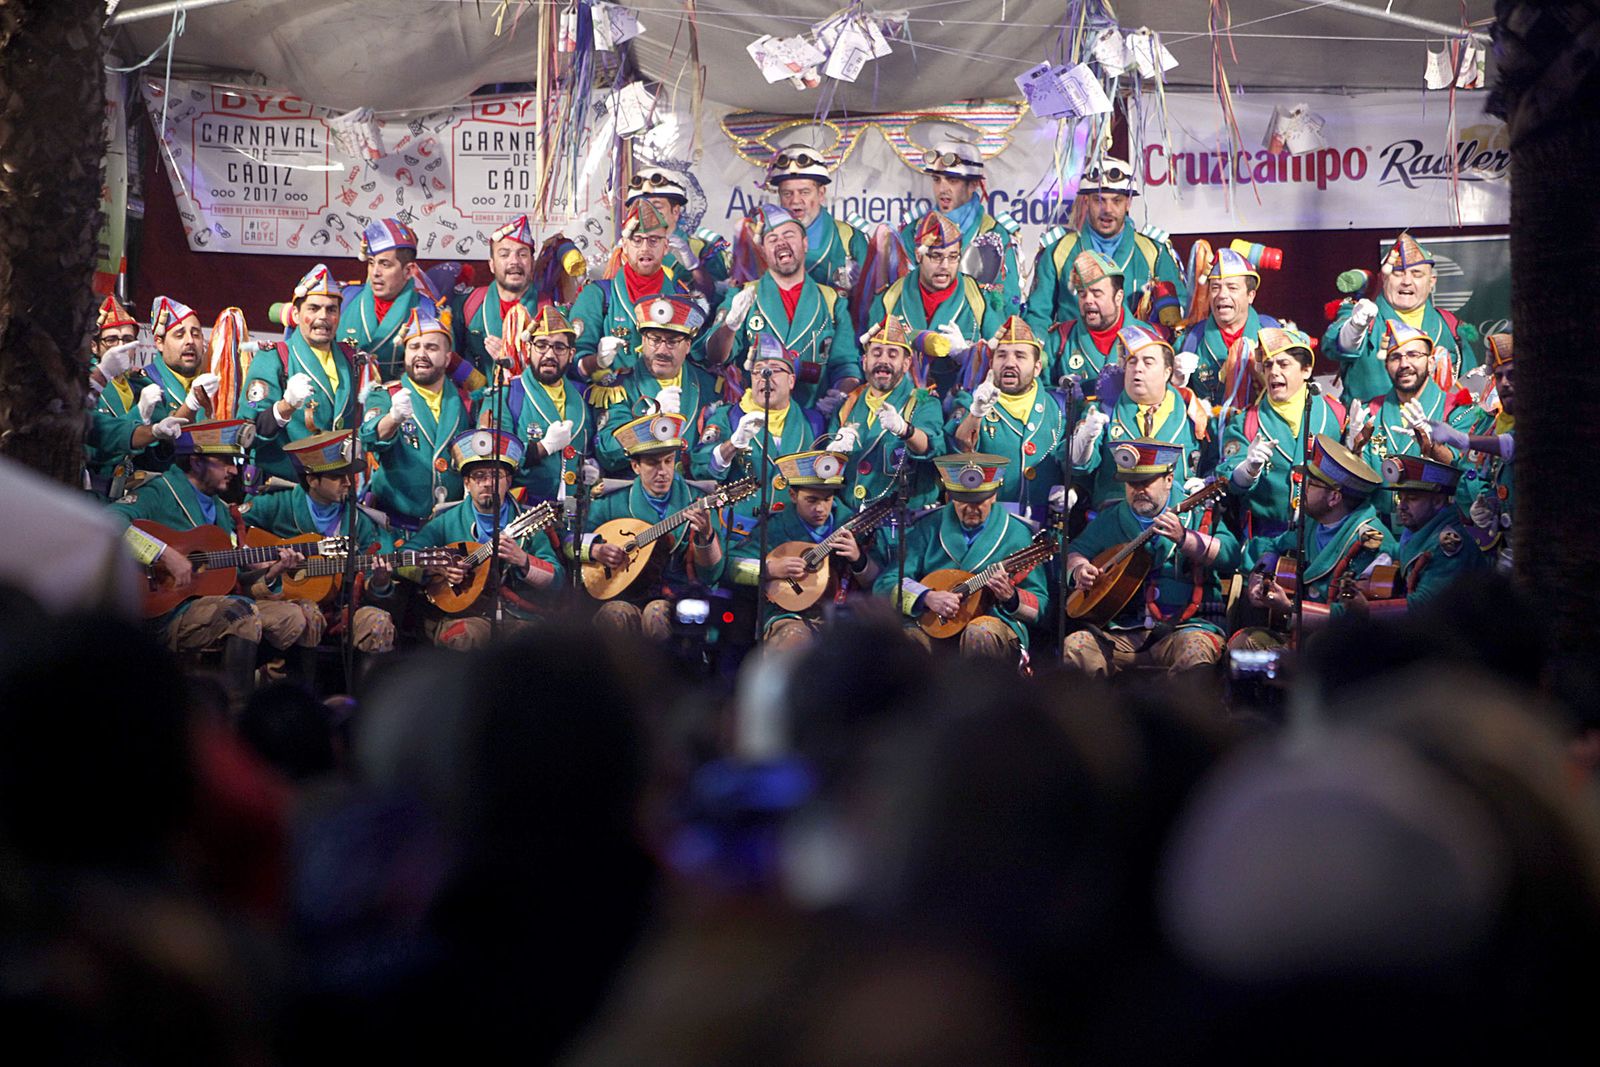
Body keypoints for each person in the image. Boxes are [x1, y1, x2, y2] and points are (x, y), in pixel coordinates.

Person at [109, 419, 323, 701]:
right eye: (224, 461)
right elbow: (108, 522)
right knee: (240, 612)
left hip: (209, 604)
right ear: (196, 462)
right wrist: (162, 553)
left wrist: (273, 571)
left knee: (301, 613)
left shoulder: (223, 511)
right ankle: (234, 713)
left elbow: (228, 577)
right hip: (161, 612)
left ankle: (292, 707)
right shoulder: (162, 490)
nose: (234, 470)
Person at [1062, 440, 1237, 676]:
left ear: (1168, 479)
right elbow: (1074, 552)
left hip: (1185, 629)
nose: (1138, 490)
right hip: (1121, 632)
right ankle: (1095, 712)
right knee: (1077, 646)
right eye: (1131, 484)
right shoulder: (1112, 517)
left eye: (1146, 482)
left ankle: (1184, 713)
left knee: (1196, 653)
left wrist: (1185, 539)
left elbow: (1231, 555)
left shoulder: (1197, 511)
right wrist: (1079, 569)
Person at [240, 429, 398, 660]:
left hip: (342, 609)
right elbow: (232, 532)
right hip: (288, 603)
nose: (347, 483)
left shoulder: (360, 520)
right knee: (307, 615)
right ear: (312, 480)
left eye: (348, 475)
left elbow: (371, 584)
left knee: (379, 622)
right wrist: (257, 562)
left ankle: (370, 695)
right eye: (337, 477)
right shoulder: (276, 504)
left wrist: (380, 582)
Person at [402, 428, 563, 649]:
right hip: (465, 616)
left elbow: (557, 580)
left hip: (519, 615)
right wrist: (435, 567)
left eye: (496, 476)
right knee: (463, 636)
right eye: (479, 476)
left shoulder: (529, 523)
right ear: (467, 483)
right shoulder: (445, 520)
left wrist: (523, 560)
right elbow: (402, 559)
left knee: (539, 644)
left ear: (509, 481)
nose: (487, 483)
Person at [875, 453, 1047, 660]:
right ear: (949, 498)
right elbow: (885, 584)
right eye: (962, 501)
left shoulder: (1018, 534)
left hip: (992, 623)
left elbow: (1042, 605)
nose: (971, 508)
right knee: (905, 638)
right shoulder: (928, 527)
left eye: (979, 501)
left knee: (979, 632)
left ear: (994, 497)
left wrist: (1011, 597)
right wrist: (927, 597)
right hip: (934, 624)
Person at [703, 203, 862, 413]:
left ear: (805, 243)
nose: (781, 243)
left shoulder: (832, 301)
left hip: (811, 420)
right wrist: (729, 327)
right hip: (753, 420)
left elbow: (846, 365)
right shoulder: (743, 295)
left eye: (789, 235)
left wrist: (841, 395)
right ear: (763, 250)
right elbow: (715, 356)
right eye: (773, 239)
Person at [583, 412, 726, 640]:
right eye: (652, 463)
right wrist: (595, 550)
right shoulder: (611, 501)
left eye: (669, 461)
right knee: (614, 614)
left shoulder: (698, 501)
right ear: (635, 466)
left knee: (657, 613)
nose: (663, 471)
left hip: (678, 597)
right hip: (623, 592)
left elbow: (712, 575)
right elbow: (572, 542)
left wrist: (705, 537)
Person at [727, 448, 879, 649]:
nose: (820, 509)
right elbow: (732, 566)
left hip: (842, 613)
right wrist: (771, 568)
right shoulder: (773, 528)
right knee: (792, 640)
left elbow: (880, 581)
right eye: (812, 500)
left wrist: (859, 560)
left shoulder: (850, 525)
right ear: (793, 495)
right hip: (787, 614)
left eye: (827, 499)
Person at [1244, 434, 1397, 632]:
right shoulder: (1312, 523)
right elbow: (1274, 546)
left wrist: (1289, 609)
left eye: (1311, 484)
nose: (1302, 489)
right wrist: (1260, 574)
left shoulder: (1372, 543)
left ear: (1334, 497)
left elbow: (1355, 619)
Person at [240, 265, 371, 480]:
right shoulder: (273, 357)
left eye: (331, 309)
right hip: (285, 490)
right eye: (314, 308)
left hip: (335, 488)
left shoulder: (350, 359)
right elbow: (247, 433)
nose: (323, 317)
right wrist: (285, 407)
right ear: (296, 314)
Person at [1026, 157, 1187, 331]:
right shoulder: (1058, 251)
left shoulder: (1154, 252)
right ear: (1086, 201)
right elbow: (1038, 316)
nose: (1108, 209)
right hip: (1074, 354)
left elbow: (1178, 315)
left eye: (1116, 200)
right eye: (1099, 200)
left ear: (1128, 202)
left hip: (1135, 354)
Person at [1216, 327, 1348, 540]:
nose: (1274, 372)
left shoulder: (1336, 414)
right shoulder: (1246, 422)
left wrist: (1357, 445)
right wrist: (1248, 470)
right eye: (1268, 365)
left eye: (1283, 364)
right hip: (1264, 541)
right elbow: (1229, 481)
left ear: (1306, 370)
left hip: (1321, 539)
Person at [1323, 232, 1480, 403]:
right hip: (1374, 426)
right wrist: (1356, 327)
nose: (1407, 281)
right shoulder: (1361, 315)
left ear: (1432, 281)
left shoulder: (1449, 325)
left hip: (1437, 426)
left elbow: (1469, 388)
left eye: (1417, 274)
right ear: (1383, 277)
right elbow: (1338, 345)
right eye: (1398, 273)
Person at [866, 210, 1001, 402]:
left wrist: (967, 355)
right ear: (918, 256)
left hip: (962, 407)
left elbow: (1001, 356)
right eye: (936, 256)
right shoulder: (890, 298)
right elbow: (867, 356)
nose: (945, 265)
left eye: (953, 256)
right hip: (901, 409)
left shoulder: (978, 297)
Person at [1070, 322, 1207, 511]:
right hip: (1118, 521)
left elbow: (1214, 463)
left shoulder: (1192, 412)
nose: (1138, 368)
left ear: (1167, 372)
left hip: (1174, 518)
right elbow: (1079, 466)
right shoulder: (1102, 411)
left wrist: (1205, 483)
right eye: (1132, 361)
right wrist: (1085, 438)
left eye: (1148, 362)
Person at [360, 305, 475, 531]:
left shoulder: (467, 402)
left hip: (449, 529)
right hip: (396, 528)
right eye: (414, 347)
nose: (421, 354)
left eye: (431, 347)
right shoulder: (385, 395)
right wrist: (393, 418)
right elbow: (369, 437)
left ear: (447, 357)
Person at [693, 335, 818, 542]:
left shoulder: (813, 422)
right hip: (740, 536)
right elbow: (701, 470)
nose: (765, 377)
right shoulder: (727, 416)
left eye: (774, 370)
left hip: (795, 536)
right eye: (758, 371)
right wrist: (733, 443)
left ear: (791, 380)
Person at [1346, 321, 1472, 523]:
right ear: (1386, 365)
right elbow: (1361, 488)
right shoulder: (1369, 413)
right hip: (1380, 531)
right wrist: (1355, 450)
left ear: (1431, 362)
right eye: (1395, 357)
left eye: (1414, 355)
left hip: (1438, 531)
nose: (1404, 364)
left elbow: (1464, 476)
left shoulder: (1456, 410)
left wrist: (1432, 447)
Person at [949, 316, 1069, 523]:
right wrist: (976, 413)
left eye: (1020, 356)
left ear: (1037, 367)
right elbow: (958, 446)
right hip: (989, 527)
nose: (1009, 363)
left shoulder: (1058, 406)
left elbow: (1074, 463)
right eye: (1002, 355)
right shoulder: (970, 400)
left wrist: (1071, 490)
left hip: (1043, 530)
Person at [1340, 454, 1488, 617]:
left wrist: (1367, 610)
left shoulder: (1449, 545)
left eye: (1412, 498)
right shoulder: (1422, 529)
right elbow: (1400, 550)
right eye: (1400, 498)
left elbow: (1425, 606)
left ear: (1438, 502)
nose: (1401, 506)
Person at [825, 313, 944, 510]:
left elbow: (931, 447)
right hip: (849, 517)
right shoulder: (847, 406)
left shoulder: (923, 403)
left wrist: (905, 430)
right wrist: (833, 454)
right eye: (877, 352)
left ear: (906, 364)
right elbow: (828, 474)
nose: (883, 360)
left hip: (903, 522)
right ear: (864, 361)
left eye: (892, 354)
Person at [478, 304, 593, 502]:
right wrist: (542, 448)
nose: (549, 355)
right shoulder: (506, 395)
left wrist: (591, 468)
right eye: (541, 345)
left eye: (559, 347)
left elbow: (587, 449)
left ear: (571, 354)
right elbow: (490, 454)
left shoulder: (582, 397)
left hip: (573, 515)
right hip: (523, 512)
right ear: (529, 348)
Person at [897, 136, 1022, 316]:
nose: (942, 189)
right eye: (937, 180)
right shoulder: (913, 231)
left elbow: (1007, 303)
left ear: (973, 185)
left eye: (952, 181)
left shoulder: (994, 233)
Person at [595, 295, 719, 475]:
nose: (662, 350)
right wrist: (650, 422)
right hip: (638, 494)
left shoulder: (709, 385)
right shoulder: (618, 386)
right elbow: (607, 451)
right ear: (643, 341)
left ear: (688, 345)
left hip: (692, 493)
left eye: (672, 341)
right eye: (654, 339)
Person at [571, 200, 694, 380]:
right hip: (612, 401)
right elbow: (572, 361)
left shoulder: (680, 299)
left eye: (653, 240)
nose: (645, 248)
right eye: (637, 240)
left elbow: (693, 357)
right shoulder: (597, 296)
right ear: (625, 246)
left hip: (666, 400)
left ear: (666, 246)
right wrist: (596, 361)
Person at [1427, 331, 1515, 570]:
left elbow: (1511, 445)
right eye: (1498, 376)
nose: (1505, 383)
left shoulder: (1544, 418)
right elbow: (1476, 475)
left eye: (1513, 375)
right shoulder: (1492, 424)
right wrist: (1489, 506)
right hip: (1500, 545)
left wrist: (1463, 439)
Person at [85, 295, 183, 497]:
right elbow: (92, 448)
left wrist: (161, 438)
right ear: (95, 346)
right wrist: (139, 415)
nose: (120, 346)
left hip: (132, 493)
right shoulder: (83, 384)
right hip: (93, 494)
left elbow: (155, 458)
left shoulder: (142, 384)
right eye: (111, 339)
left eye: (128, 340)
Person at [1174, 244, 1282, 413]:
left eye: (1232, 288)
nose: (1222, 295)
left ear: (1250, 295)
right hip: (1209, 435)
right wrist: (1175, 381)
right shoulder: (1190, 340)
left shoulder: (1275, 335)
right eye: (1215, 288)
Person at [1036, 250, 1150, 401]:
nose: (1088, 300)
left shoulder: (1148, 337)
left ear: (1118, 297)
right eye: (1082, 294)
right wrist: (1061, 397)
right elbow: (1039, 392)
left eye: (1097, 294)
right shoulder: (1060, 339)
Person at [337, 218, 432, 380]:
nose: (375, 272)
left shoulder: (429, 312)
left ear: (409, 271)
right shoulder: (343, 300)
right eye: (371, 263)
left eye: (385, 264)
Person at [451, 215, 543, 373]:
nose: (514, 262)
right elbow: (450, 360)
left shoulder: (548, 309)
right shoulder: (468, 304)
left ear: (532, 263)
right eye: (504, 254)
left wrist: (518, 362)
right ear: (492, 265)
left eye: (522, 254)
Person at [766, 144, 865, 291]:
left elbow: (870, 300)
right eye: (787, 194)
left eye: (804, 192)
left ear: (821, 193)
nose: (795, 201)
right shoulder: (762, 239)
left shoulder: (850, 240)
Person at [625, 166, 729, 296]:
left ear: (675, 212)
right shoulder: (623, 250)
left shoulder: (703, 249)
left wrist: (694, 267)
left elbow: (716, 299)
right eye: (641, 207)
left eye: (656, 207)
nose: (648, 213)